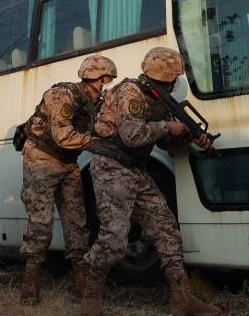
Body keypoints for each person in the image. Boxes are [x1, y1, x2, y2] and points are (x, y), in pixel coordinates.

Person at [80, 47, 219, 316]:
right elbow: (132, 135)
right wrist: (169, 127)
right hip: (112, 167)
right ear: (166, 77)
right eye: (175, 76)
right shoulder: (131, 91)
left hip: (135, 170)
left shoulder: (160, 100)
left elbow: (168, 147)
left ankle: (182, 298)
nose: (178, 81)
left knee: (167, 230)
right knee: (115, 239)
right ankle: (90, 298)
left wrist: (187, 137)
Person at [18, 55, 118, 305]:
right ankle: (30, 287)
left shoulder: (96, 102)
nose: (106, 84)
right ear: (91, 77)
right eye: (104, 79)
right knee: (40, 224)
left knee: (77, 222)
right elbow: (62, 135)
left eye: (109, 79)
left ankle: (81, 285)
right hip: (42, 158)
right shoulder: (62, 95)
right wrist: (96, 143)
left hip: (67, 162)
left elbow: (103, 130)